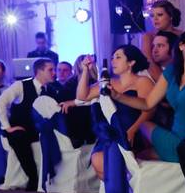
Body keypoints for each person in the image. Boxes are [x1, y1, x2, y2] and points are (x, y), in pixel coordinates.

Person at [112, 27, 185, 163]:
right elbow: (148, 103)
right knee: (142, 131)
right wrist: (117, 96)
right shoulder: (172, 71)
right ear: (182, 46)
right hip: (174, 135)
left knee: (137, 156)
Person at [64, 48, 153, 180]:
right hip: (111, 132)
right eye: (112, 58)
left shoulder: (143, 81)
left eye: (118, 57)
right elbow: (82, 96)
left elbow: (149, 110)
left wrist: (133, 130)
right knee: (98, 160)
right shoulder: (108, 82)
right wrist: (85, 71)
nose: (113, 61)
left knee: (104, 161)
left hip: (133, 131)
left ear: (131, 62)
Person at [0, 58, 56, 191]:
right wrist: (7, 127)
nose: (54, 73)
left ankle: (50, 179)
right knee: (18, 137)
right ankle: (33, 177)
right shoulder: (20, 85)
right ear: (39, 71)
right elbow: (0, 103)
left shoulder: (51, 90)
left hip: (39, 131)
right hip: (21, 129)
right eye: (50, 70)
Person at [141, 0, 182, 80]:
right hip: (155, 76)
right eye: (152, 16)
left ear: (170, 16)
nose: (155, 19)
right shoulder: (148, 37)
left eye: (159, 15)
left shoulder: (182, 35)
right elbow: (149, 62)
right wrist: (165, 83)